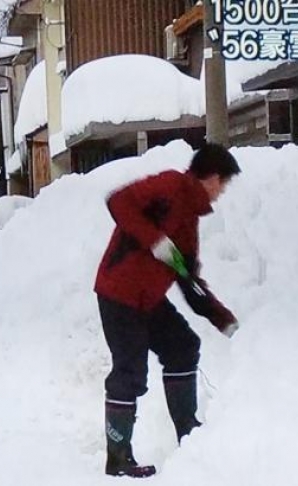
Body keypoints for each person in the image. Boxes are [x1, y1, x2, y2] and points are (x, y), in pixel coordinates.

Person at [95, 143, 241, 477]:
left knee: (183, 347)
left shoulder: (190, 217)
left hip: (147, 299)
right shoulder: (170, 186)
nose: (222, 192)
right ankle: (118, 458)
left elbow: (187, 278)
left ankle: (189, 436)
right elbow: (118, 201)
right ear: (212, 177)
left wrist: (224, 321)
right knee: (130, 371)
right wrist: (154, 239)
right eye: (223, 184)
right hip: (119, 292)